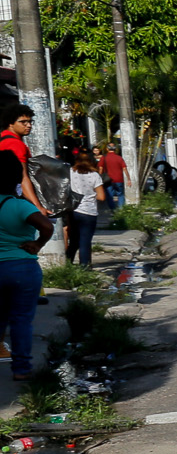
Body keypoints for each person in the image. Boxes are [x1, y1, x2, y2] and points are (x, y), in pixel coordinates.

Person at [0, 180, 54, 381]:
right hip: (22, 267)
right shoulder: (20, 205)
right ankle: (21, 369)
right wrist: (38, 243)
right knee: (21, 319)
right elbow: (46, 226)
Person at [63, 150, 102, 265]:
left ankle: (68, 263)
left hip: (73, 211)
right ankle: (85, 267)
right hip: (89, 212)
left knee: (74, 240)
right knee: (85, 241)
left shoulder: (70, 172)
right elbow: (101, 196)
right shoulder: (94, 175)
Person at [0, 105, 37, 213]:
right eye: (23, 122)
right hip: (13, 200)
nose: (29, 125)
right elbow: (23, 178)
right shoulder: (15, 144)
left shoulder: (3, 139)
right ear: (10, 123)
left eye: (30, 122)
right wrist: (37, 206)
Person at [99, 141, 128, 208]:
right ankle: (121, 210)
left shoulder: (104, 157)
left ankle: (113, 210)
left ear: (107, 149)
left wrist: (99, 178)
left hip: (108, 180)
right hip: (119, 179)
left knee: (110, 195)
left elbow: (100, 168)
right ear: (115, 149)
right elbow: (124, 169)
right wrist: (128, 179)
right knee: (120, 195)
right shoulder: (119, 158)